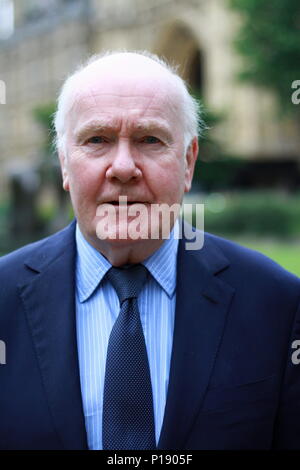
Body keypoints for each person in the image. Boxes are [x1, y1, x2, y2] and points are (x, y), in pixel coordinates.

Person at [0, 51, 300, 451]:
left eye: (150, 140)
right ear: (65, 166)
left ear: (188, 162)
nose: (123, 167)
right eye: (97, 140)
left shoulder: (276, 302)